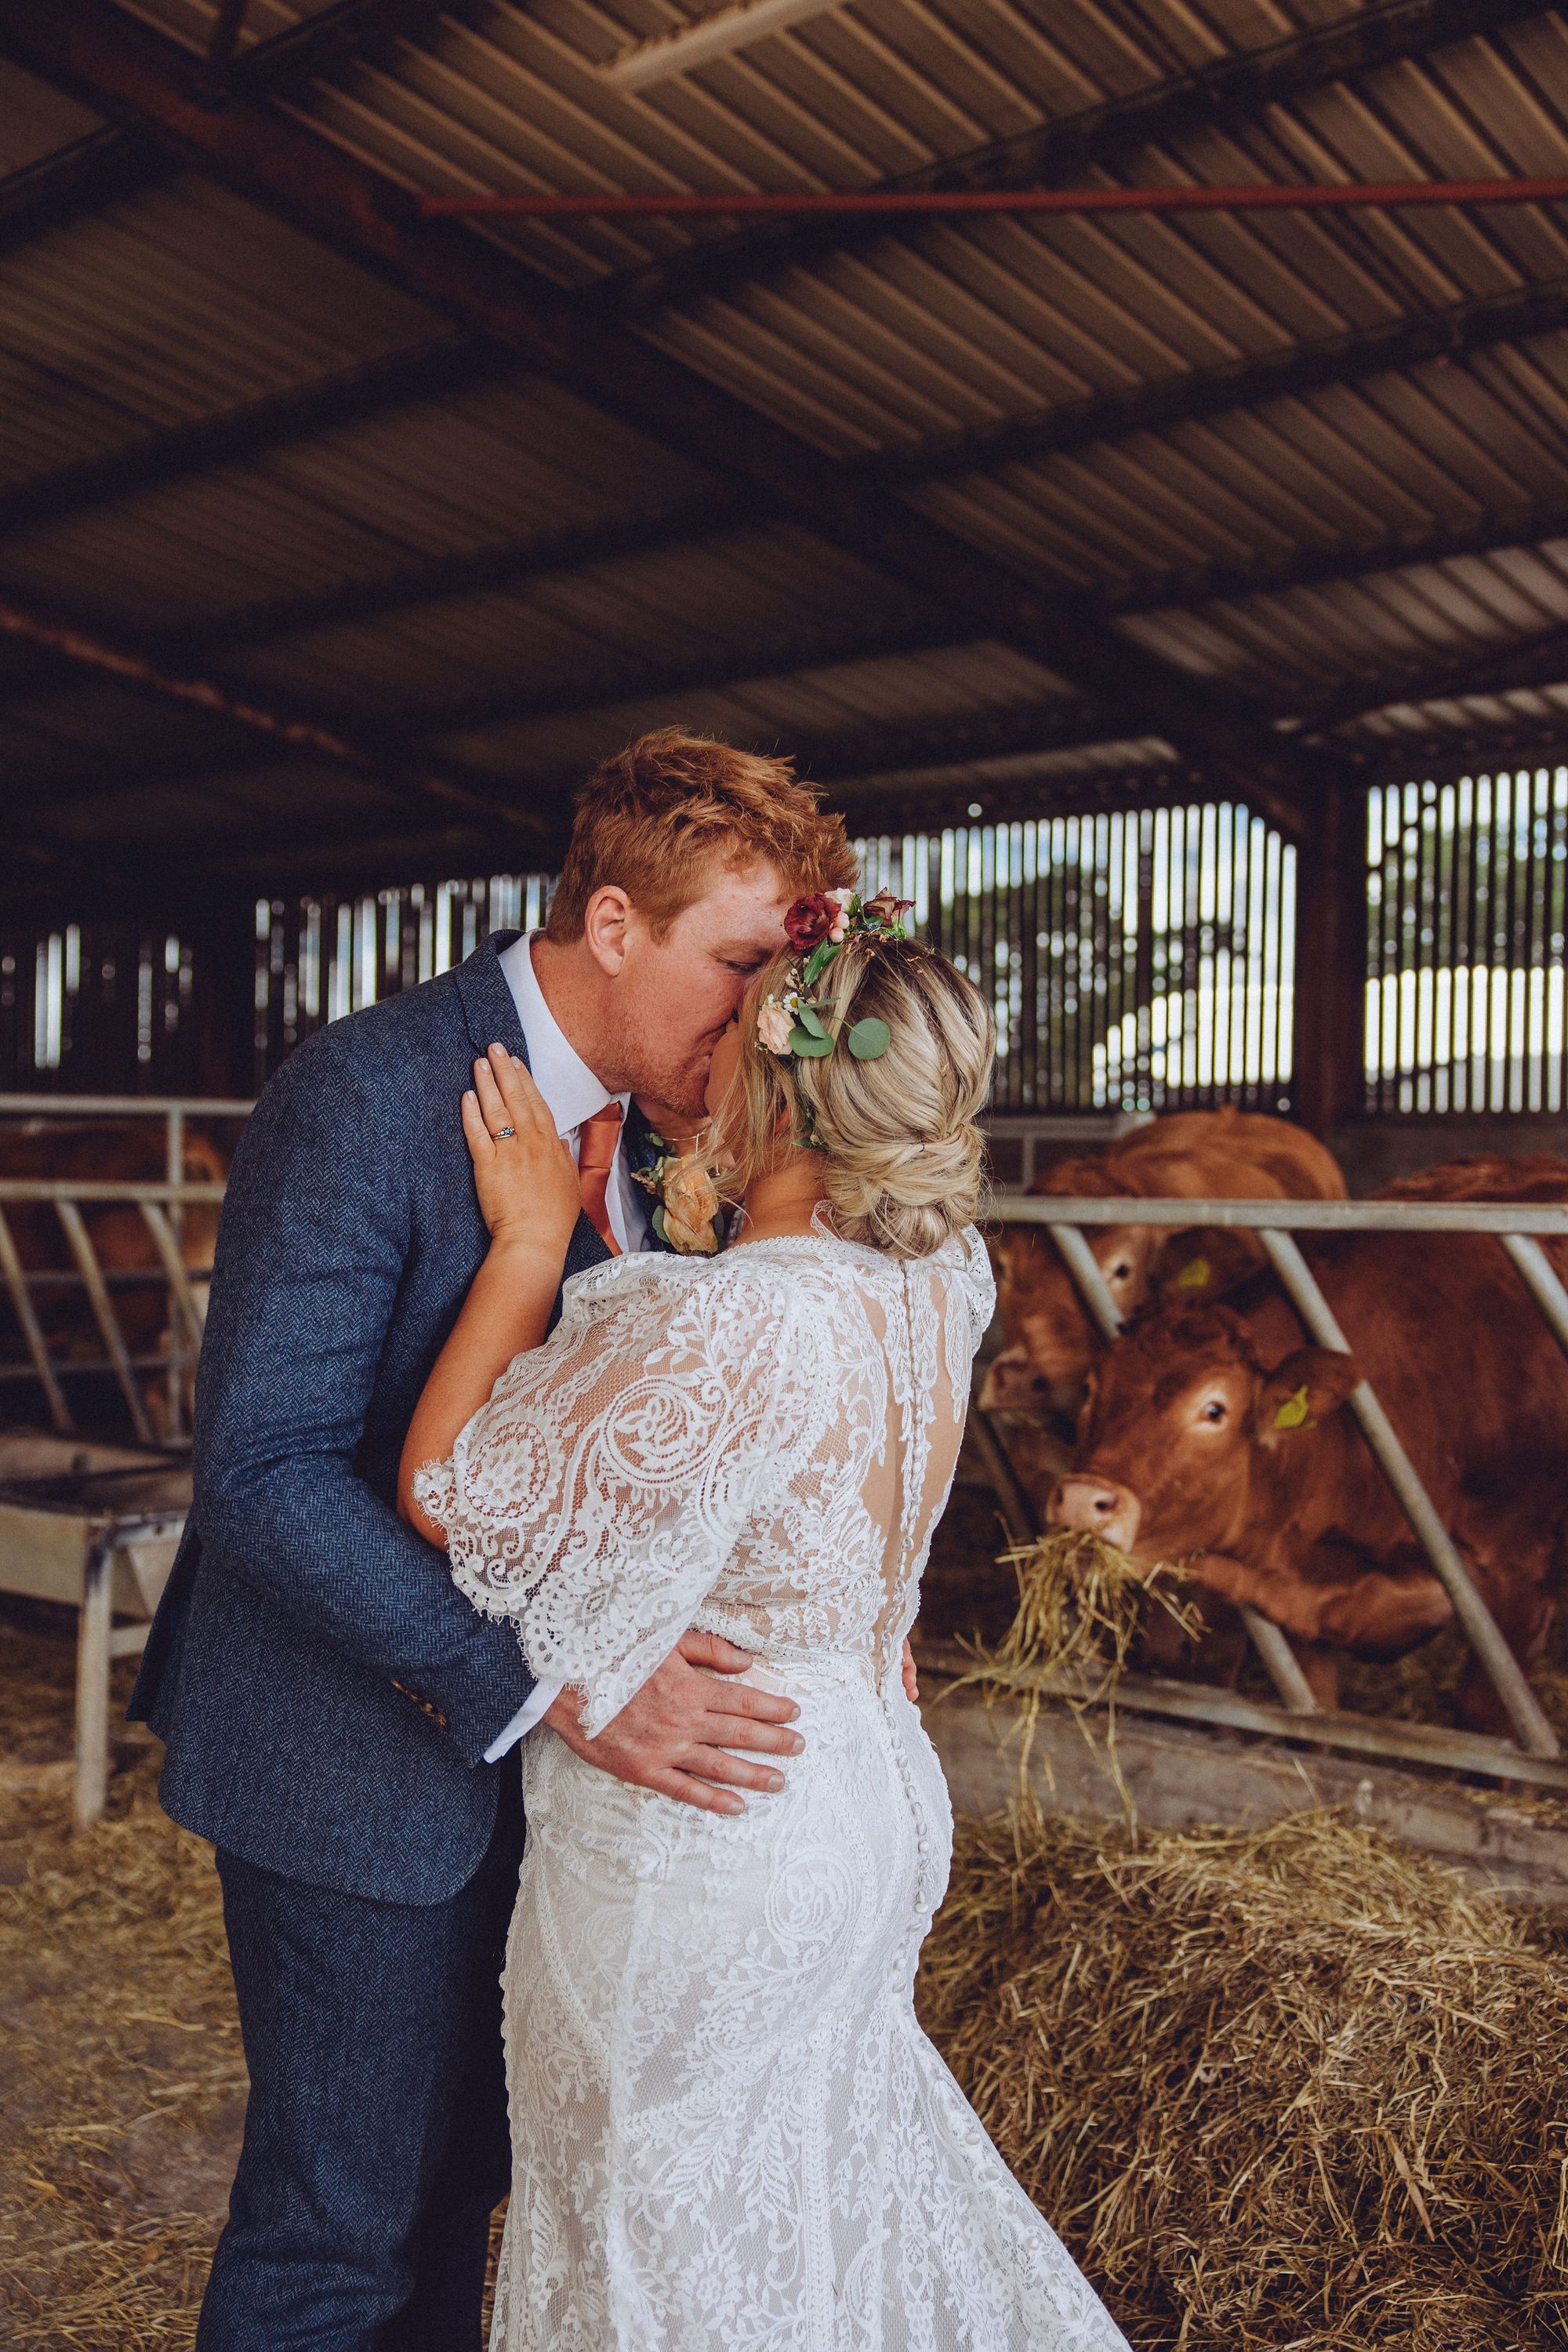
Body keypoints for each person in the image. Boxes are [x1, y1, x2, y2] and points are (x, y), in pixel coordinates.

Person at [129, 729, 858, 2350]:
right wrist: (558, 1681)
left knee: (463, 2211)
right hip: (349, 1768)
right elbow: (265, 1479)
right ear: (612, 926)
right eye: (735, 967)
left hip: (552, 1793)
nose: (757, 1024)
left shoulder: (688, 1128)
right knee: (338, 2241)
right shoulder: (368, 1093)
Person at [401, 891, 1132, 2350]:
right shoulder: (940, 1283)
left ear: (781, 1080)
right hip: (869, 1795)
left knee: (653, 2255)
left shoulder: (735, 1318)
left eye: (740, 1026)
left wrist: (530, 1244)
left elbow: (450, 1491)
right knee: (813, 2220)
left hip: (713, 1843)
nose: (711, 1048)